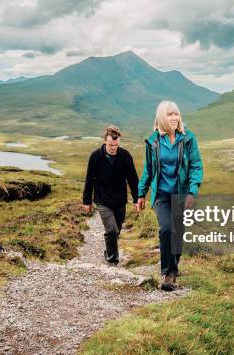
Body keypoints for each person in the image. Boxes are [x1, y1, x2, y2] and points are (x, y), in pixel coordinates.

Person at [137, 101, 203, 291]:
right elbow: (148, 170)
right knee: (166, 229)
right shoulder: (153, 142)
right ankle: (168, 273)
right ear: (161, 118)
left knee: (178, 233)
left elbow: (196, 165)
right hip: (162, 196)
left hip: (181, 195)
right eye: (170, 114)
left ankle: (173, 265)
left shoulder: (188, 138)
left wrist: (192, 191)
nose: (175, 118)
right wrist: (141, 193)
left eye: (176, 114)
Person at [83, 125, 140, 266]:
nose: (113, 148)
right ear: (105, 141)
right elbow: (89, 180)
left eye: (116, 145)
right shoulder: (95, 156)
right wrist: (87, 201)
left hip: (120, 201)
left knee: (117, 231)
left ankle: (108, 251)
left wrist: (137, 198)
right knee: (111, 229)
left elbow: (133, 179)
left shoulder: (125, 156)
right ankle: (113, 260)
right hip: (102, 200)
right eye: (110, 145)